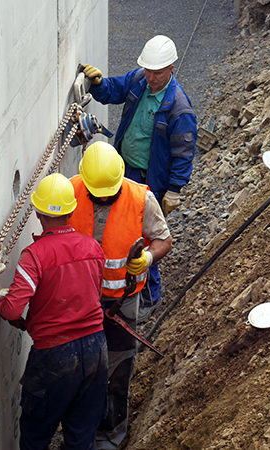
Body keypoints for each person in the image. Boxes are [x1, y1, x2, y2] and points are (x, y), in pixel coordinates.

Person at [82, 34, 197, 321]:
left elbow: (183, 153)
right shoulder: (138, 80)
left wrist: (174, 190)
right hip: (124, 170)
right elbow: (113, 90)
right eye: (148, 70)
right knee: (121, 229)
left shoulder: (179, 109)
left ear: (172, 68)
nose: (151, 77)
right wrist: (97, 84)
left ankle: (149, 297)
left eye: (157, 72)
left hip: (150, 180)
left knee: (146, 239)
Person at [67, 142, 172, 450]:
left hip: (121, 303)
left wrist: (148, 259)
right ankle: (79, 435)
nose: (102, 198)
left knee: (117, 368)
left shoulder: (141, 199)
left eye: (107, 193)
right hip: (80, 301)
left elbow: (164, 240)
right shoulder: (70, 192)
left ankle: (110, 436)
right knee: (79, 370)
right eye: (95, 192)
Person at [0, 173, 109, 450]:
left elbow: (12, 309)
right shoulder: (93, 248)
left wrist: (2, 302)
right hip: (96, 348)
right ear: (71, 210)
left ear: (38, 212)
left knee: (36, 437)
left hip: (54, 356)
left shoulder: (35, 255)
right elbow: (94, 293)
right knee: (82, 435)